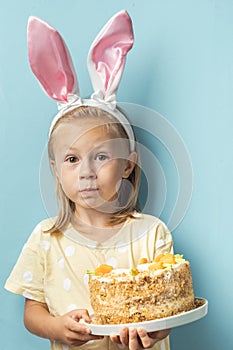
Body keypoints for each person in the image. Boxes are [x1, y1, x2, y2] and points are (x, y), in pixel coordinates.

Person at [5, 11, 173, 350]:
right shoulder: (45, 238)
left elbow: (167, 308)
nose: (86, 171)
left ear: (127, 165)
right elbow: (32, 311)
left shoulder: (151, 234)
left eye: (101, 157)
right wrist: (56, 327)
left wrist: (153, 332)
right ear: (56, 168)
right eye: (72, 159)